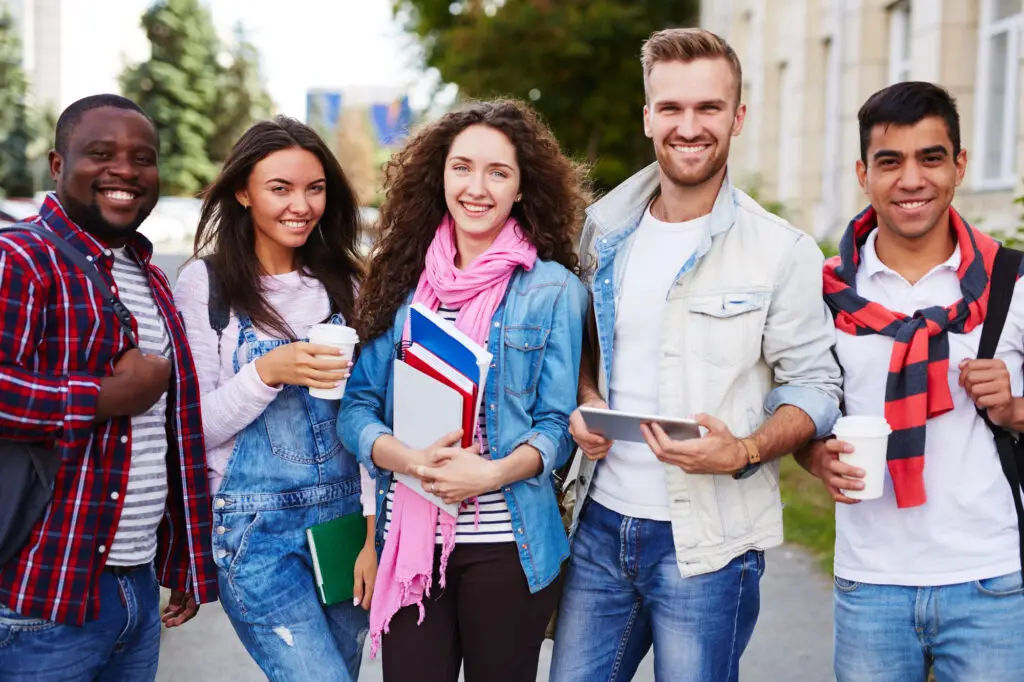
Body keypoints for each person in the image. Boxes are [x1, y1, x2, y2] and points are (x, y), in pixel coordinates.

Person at [549, 28, 843, 682]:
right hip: (598, 528)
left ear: (737, 117)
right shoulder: (602, 229)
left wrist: (743, 449)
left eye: (708, 108)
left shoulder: (781, 250)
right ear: (648, 115)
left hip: (708, 547)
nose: (689, 126)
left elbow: (817, 386)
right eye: (672, 108)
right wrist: (587, 399)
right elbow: (585, 349)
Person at [339, 98, 589, 682]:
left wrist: (492, 473)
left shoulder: (553, 291)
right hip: (412, 543)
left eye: (498, 172)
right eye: (463, 167)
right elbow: (356, 408)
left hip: (509, 546)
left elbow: (558, 425)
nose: (477, 187)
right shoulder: (401, 280)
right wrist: (409, 459)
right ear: (440, 175)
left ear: (522, 188)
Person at [797, 81, 1024, 682]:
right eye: (890, 161)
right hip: (870, 581)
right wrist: (814, 457)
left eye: (931, 157)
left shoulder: (1011, 280)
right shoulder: (825, 290)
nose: (912, 180)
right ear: (863, 173)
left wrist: (1015, 409)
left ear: (960, 166)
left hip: (990, 580)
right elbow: (799, 402)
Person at [0, 94, 217, 680]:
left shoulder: (148, 277)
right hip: (41, 594)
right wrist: (101, 398)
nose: (125, 169)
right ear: (56, 165)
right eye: (101, 153)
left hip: (135, 591)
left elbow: (169, 434)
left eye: (142, 158)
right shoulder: (21, 257)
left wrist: (184, 561)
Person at [172, 116, 374, 682]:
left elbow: (368, 417)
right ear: (243, 191)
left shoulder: (347, 285)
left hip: (342, 525)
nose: (301, 205)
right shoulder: (205, 286)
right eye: (279, 188)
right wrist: (266, 372)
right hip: (252, 533)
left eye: (315, 188)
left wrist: (372, 530)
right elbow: (191, 428)